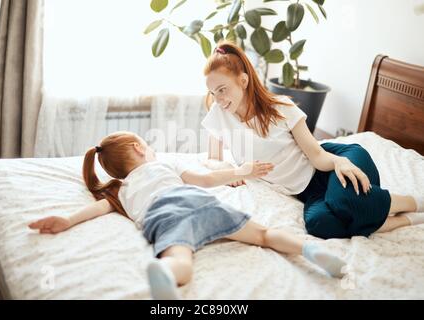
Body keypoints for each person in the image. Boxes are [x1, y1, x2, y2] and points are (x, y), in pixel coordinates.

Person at [29, 131, 347, 300]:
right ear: (140, 149)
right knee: (263, 235)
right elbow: (207, 180)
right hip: (196, 200)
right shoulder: (165, 164)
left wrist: (67, 220)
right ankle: (311, 251)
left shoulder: (121, 190)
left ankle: (167, 273)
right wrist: (242, 172)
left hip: (162, 215)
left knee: (181, 258)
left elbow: (97, 208)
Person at [201, 41, 424, 240]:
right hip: (307, 191)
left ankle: (413, 202)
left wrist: (340, 162)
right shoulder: (219, 115)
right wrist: (228, 168)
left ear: (243, 80)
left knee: (344, 203)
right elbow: (212, 157)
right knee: (321, 225)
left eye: (222, 89)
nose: (219, 99)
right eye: (213, 92)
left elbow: (317, 156)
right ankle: (407, 220)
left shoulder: (281, 108)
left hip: (333, 161)